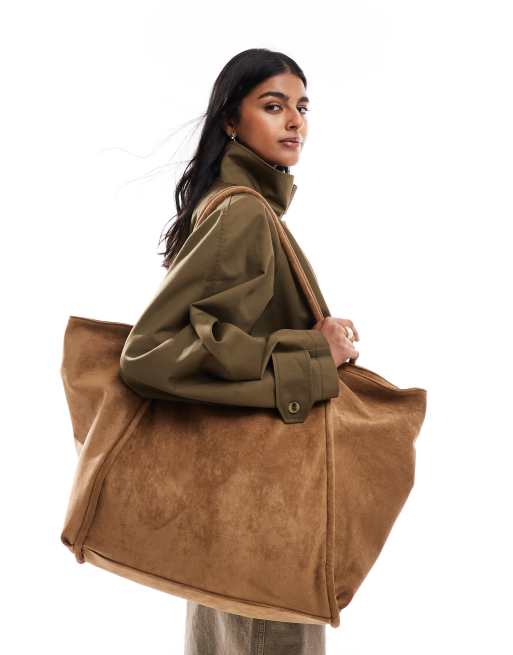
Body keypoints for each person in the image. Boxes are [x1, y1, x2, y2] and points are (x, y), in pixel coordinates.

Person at [119, 48, 359, 655]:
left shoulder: (241, 207)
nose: (295, 121)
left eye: (302, 107)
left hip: (234, 504)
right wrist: (313, 351)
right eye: (273, 106)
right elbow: (151, 351)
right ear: (231, 119)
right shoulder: (243, 215)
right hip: (263, 512)